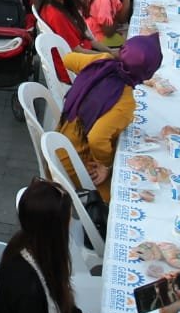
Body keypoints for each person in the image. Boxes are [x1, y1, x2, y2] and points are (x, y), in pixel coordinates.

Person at [55, 34, 162, 202]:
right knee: (131, 190)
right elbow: (97, 139)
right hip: (73, 166)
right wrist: (105, 164)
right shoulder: (126, 102)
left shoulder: (101, 62)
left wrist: (102, 60)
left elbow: (68, 59)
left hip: (59, 146)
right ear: (147, 74)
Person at [0, 178, 94, 313]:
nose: (69, 230)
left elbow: (66, 306)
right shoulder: (28, 290)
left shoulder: (31, 245)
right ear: (53, 232)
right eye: (67, 223)